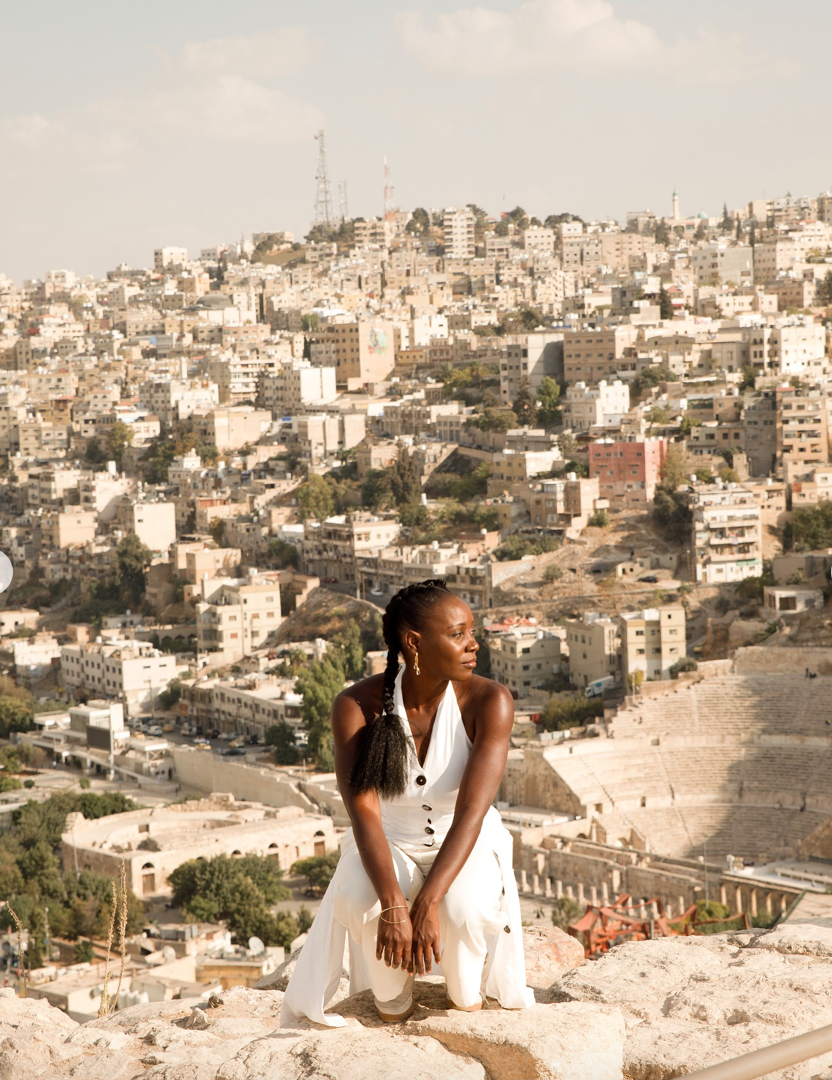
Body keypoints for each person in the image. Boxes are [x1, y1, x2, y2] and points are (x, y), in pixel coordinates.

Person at [281, 579, 532, 1027]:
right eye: (458, 634)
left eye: (471, 631)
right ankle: (392, 1005)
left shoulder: (490, 701)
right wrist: (396, 906)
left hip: (464, 838)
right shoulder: (356, 707)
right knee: (364, 900)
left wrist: (429, 902)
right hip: (388, 841)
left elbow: (472, 812)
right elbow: (364, 812)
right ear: (415, 642)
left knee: (463, 909)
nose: (474, 644)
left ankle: (466, 1002)